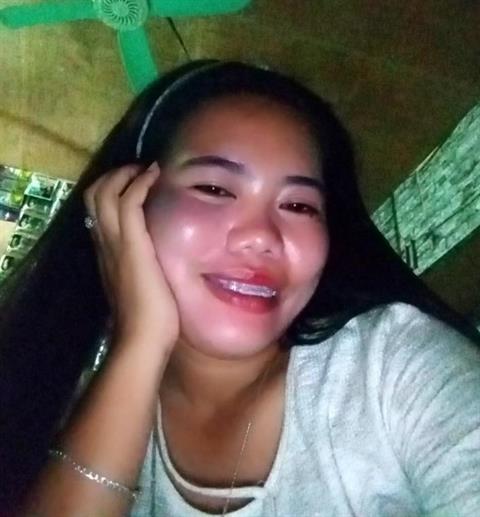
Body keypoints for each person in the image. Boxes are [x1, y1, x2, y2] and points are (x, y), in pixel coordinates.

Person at [0, 60, 479, 516]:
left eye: (299, 206)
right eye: (214, 189)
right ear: (125, 205)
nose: (262, 237)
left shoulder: (393, 369)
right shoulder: (55, 405)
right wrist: (140, 341)